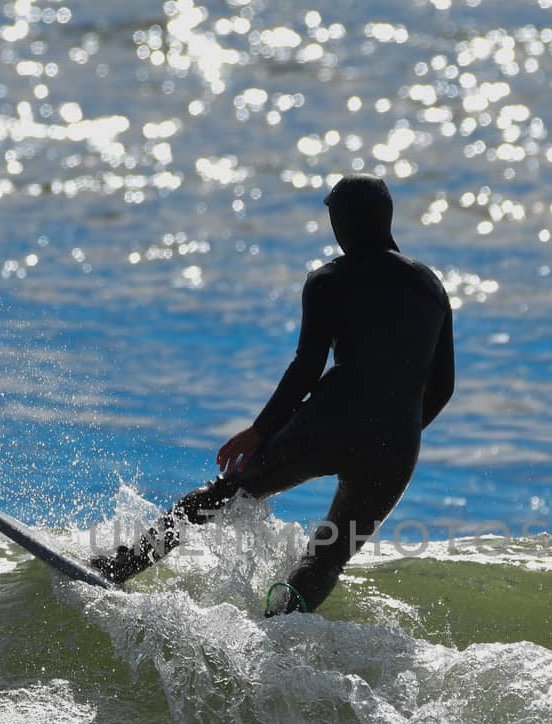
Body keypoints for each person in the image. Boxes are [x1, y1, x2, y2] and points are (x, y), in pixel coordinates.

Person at [91, 175, 455, 614]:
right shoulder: (431, 287)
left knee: (224, 494)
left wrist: (259, 432)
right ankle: (281, 630)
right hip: (396, 449)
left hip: (331, 423)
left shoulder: (329, 281)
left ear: (341, 222)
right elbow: (443, 386)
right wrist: (396, 428)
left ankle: (121, 566)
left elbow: (306, 367)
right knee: (328, 556)